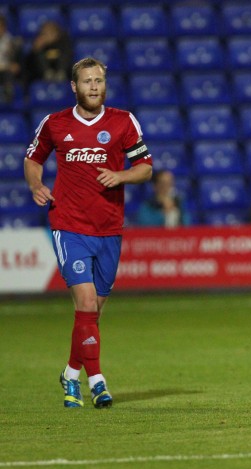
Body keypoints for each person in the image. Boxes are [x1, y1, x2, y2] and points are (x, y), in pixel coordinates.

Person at [23, 57, 153, 408]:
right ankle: (98, 382)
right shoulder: (55, 123)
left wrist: (121, 175)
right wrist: (36, 184)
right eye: (87, 81)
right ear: (74, 87)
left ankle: (70, 374)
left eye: (98, 80)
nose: (94, 86)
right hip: (69, 224)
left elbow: (145, 168)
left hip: (109, 226)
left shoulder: (123, 122)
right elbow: (33, 159)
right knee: (84, 301)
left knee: (92, 312)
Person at [23, 20, 73, 86]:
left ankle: (61, 73)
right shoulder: (39, 44)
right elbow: (28, 63)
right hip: (42, 74)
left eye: (50, 33)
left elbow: (68, 57)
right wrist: (35, 50)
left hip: (61, 73)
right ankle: (47, 73)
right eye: (44, 33)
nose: (47, 35)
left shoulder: (64, 43)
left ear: (56, 34)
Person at [0, 13, 22, 103]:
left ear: (4, 27)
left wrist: (15, 66)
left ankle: (8, 99)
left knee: (8, 74)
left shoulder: (13, 42)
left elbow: (17, 64)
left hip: (6, 72)